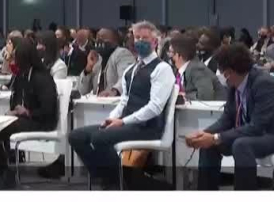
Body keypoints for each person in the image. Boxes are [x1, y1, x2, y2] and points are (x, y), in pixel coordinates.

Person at [41, 21, 174, 185]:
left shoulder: (162, 69)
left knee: (99, 138)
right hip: (127, 123)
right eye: (137, 38)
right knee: (76, 136)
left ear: (154, 42)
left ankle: (121, 181)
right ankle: (114, 178)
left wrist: (123, 121)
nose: (139, 41)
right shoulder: (131, 70)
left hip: (148, 127)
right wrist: (111, 118)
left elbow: (155, 107)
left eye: (144, 38)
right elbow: (124, 100)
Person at [186, 44, 274, 190]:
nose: (221, 75)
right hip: (258, 133)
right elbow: (226, 119)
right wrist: (204, 134)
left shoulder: (264, 84)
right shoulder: (235, 85)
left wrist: (216, 138)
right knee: (208, 145)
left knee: (241, 145)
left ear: (231, 72)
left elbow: (257, 127)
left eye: (223, 72)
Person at [0, 38, 58, 190]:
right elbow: (15, 100)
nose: (15, 61)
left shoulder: (42, 78)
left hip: (39, 121)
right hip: (22, 118)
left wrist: (28, 112)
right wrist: (13, 111)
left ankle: (4, 173)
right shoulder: (21, 76)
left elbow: (48, 109)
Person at [78, 28, 135, 96]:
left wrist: (114, 91)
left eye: (102, 37)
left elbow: (127, 78)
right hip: (97, 100)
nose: (98, 41)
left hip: (115, 100)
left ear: (114, 40)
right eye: (97, 38)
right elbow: (82, 91)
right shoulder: (97, 59)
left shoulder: (122, 53)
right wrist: (88, 69)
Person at [169, 34, 225, 101]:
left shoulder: (197, 69)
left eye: (171, 52)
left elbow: (205, 96)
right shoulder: (177, 70)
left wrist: (184, 96)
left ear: (179, 55)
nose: (169, 55)